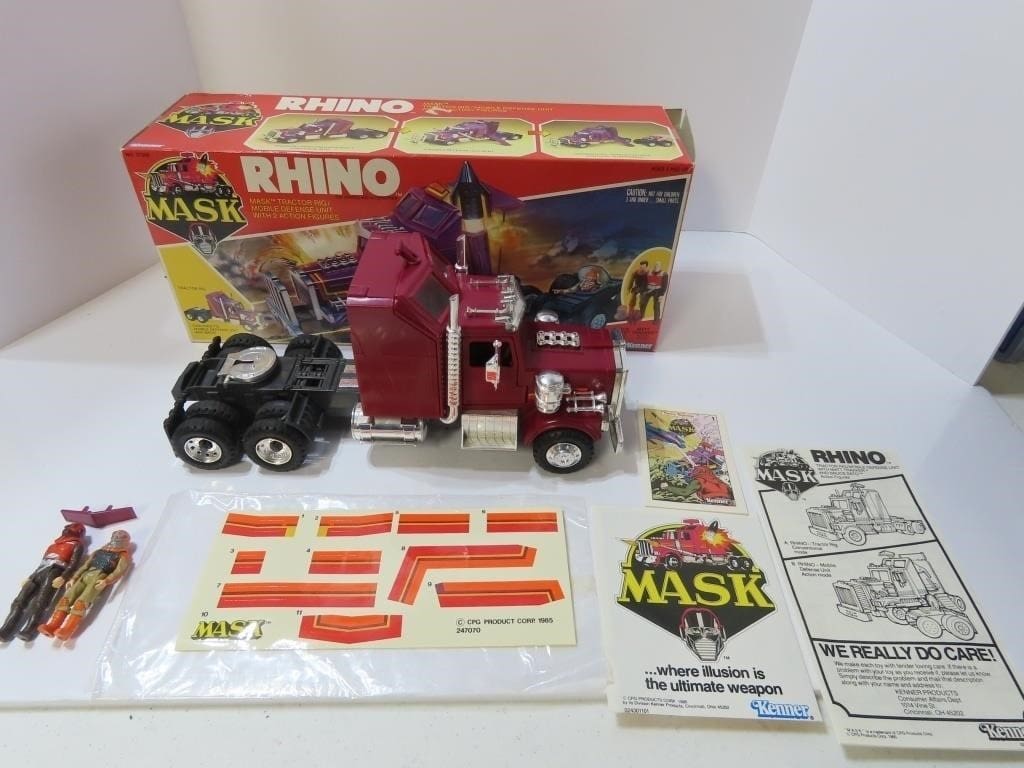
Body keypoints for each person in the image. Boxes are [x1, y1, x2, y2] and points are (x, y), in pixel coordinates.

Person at [38, 529, 132, 642]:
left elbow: (119, 571)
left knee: (81, 603)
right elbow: (85, 565)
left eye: (120, 537)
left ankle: (67, 629)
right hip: (85, 575)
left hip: (98, 578)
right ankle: (52, 625)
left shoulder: (122, 555)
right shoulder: (99, 551)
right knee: (66, 599)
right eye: (116, 536)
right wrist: (74, 578)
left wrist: (106, 580)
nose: (116, 538)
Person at [0, 523, 86, 642]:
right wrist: (31, 577)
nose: (66, 529)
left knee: (41, 602)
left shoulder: (76, 545)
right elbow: (42, 562)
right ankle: (5, 630)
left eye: (70, 528)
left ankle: (29, 631)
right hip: (40, 571)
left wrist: (63, 576)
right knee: (19, 601)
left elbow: (73, 563)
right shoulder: (53, 545)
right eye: (67, 527)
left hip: (55, 571)